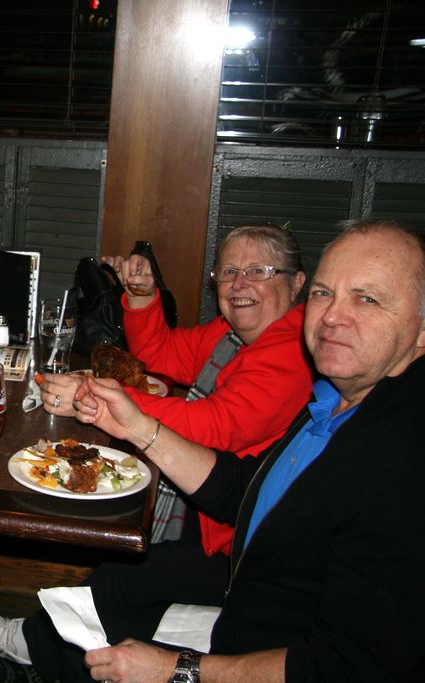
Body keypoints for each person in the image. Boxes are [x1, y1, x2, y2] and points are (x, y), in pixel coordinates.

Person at [75, 219, 425, 682]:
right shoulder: (333, 401)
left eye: (368, 299)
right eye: (325, 294)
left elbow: (348, 665)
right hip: (238, 606)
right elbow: (248, 490)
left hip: (242, 627)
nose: (333, 316)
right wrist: (136, 426)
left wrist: (175, 670)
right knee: (99, 610)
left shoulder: (402, 462)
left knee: (107, 595)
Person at [0, 225, 314, 680]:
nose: (239, 284)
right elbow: (160, 354)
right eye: (228, 272)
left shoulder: (293, 353)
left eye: (258, 271)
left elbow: (214, 427)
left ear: (297, 284)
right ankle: (41, 640)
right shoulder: (230, 337)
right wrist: (142, 298)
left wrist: (100, 398)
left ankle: (30, 641)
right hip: (213, 515)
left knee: (116, 578)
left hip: (243, 546)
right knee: (118, 575)